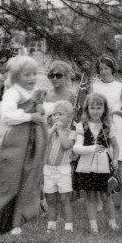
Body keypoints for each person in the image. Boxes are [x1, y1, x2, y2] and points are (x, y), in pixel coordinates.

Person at [0, 55, 47, 240]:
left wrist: (44, 111)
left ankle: (11, 223)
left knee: (23, 184)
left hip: (28, 146)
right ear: (15, 76)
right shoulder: (13, 92)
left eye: (33, 74)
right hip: (12, 145)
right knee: (5, 184)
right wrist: (30, 117)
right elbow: (7, 115)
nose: (31, 78)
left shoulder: (32, 92)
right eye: (26, 74)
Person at [73, 93, 120, 234]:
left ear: (105, 109)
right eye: (92, 108)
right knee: (90, 197)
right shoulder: (82, 126)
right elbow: (76, 148)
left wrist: (116, 160)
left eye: (99, 108)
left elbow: (116, 146)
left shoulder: (108, 127)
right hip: (86, 167)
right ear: (87, 109)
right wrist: (92, 148)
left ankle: (113, 224)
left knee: (106, 196)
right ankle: (94, 226)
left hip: (104, 167)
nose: (95, 111)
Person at [91, 55, 122, 211]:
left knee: (119, 165)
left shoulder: (120, 87)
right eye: (100, 69)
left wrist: (114, 111)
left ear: (112, 69)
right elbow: (89, 107)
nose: (103, 72)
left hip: (116, 128)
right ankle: (101, 202)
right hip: (99, 128)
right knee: (100, 164)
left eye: (106, 68)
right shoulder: (95, 86)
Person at [43, 100, 76, 233]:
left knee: (64, 199)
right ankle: (51, 226)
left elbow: (67, 145)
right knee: (50, 199)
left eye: (60, 114)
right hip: (49, 170)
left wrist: (60, 130)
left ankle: (68, 226)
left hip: (63, 170)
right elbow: (43, 141)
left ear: (69, 118)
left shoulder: (72, 133)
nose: (56, 117)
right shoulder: (50, 132)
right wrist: (52, 129)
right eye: (54, 114)